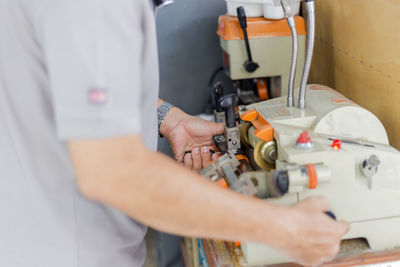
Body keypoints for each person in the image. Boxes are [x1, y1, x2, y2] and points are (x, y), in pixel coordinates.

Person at [0, 0, 349, 266]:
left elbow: (63, 82)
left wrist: (168, 118)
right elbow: (114, 173)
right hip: (64, 252)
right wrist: (283, 230)